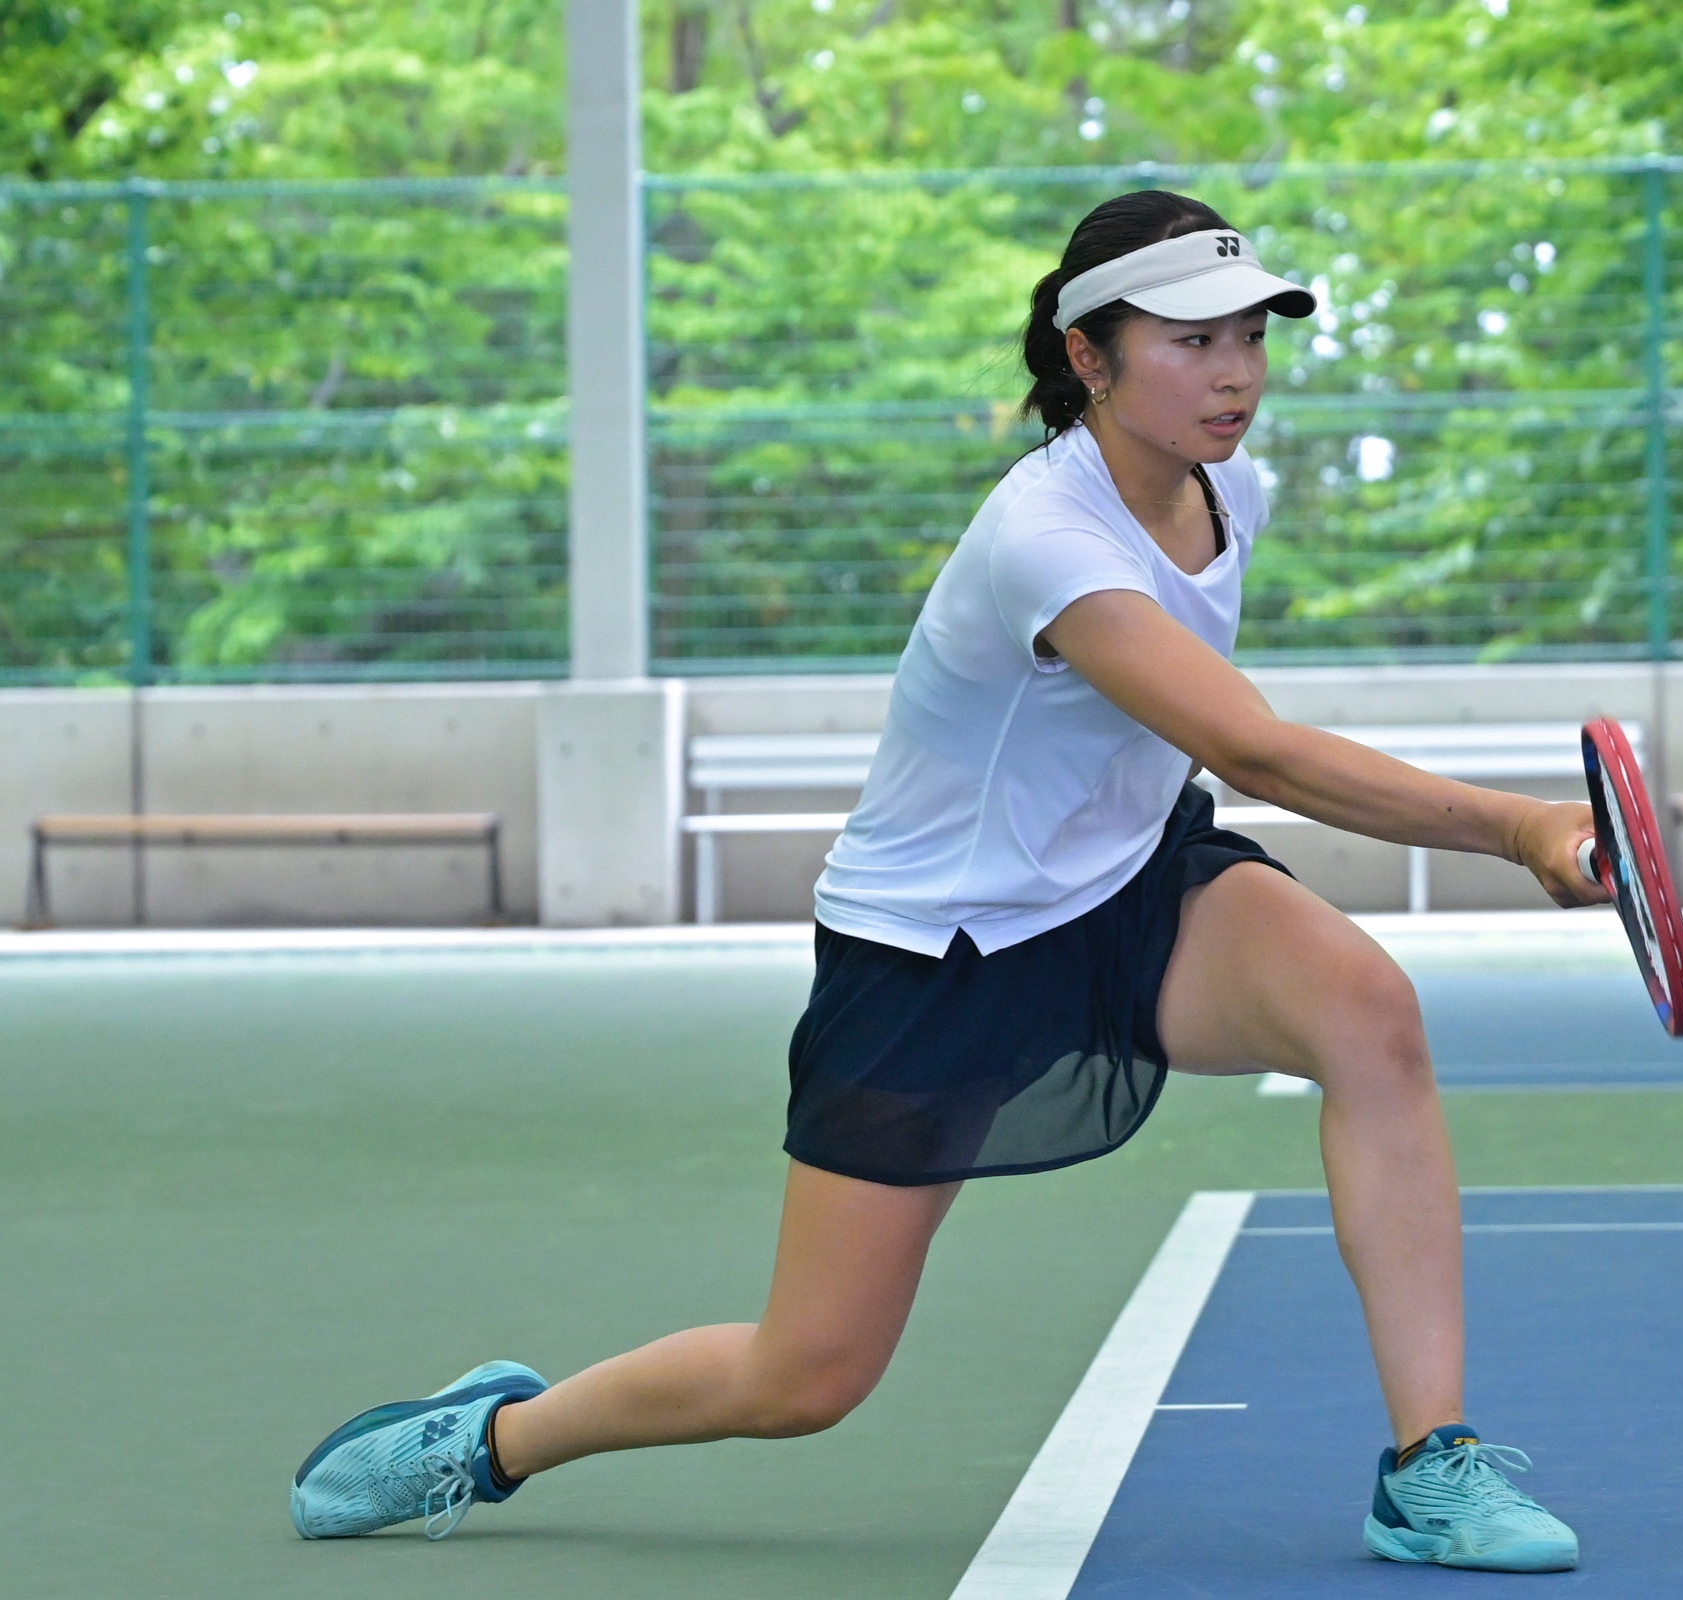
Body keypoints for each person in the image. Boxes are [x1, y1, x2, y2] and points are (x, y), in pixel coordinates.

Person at [289, 190, 1603, 1574]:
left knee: (1369, 1015)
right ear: (1089, 358)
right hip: (936, 953)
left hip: (1134, 885)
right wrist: (1519, 827)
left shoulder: (1231, 493)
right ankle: (498, 1438)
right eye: (1191, 341)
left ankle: (1430, 1466)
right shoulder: (1048, 536)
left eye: (1251, 339)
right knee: (806, 1374)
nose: (1235, 374)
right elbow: (1251, 749)